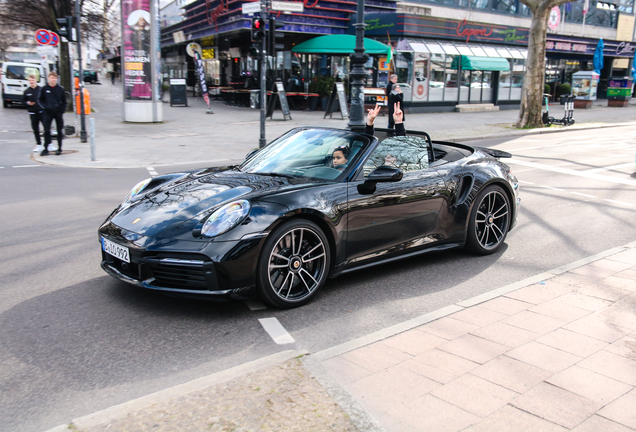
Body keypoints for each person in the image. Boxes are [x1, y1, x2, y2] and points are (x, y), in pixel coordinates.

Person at [38, 71, 66, 156]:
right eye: (52, 78)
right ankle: (46, 148)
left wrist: (61, 110)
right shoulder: (44, 89)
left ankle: (59, 148)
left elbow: (64, 101)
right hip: (47, 112)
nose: (53, 80)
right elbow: (40, 100)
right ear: (48, 78)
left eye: (55, 78)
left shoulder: (60, 89)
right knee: (47, 131)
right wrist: (45, 107)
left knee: (59, 130)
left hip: (57, 112)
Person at [23, 74, 44, 153]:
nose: (31, 82)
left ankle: (48, 143)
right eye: (30, 80)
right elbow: (23, 101)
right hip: (32, 112)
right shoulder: (27, 91)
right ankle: (39, 144)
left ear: (36, 80)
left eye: (33, 80)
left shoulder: (40, 90)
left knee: (46, 128)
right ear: (28, 81)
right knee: (35, 129)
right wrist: (28, 103)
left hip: (41, 111)